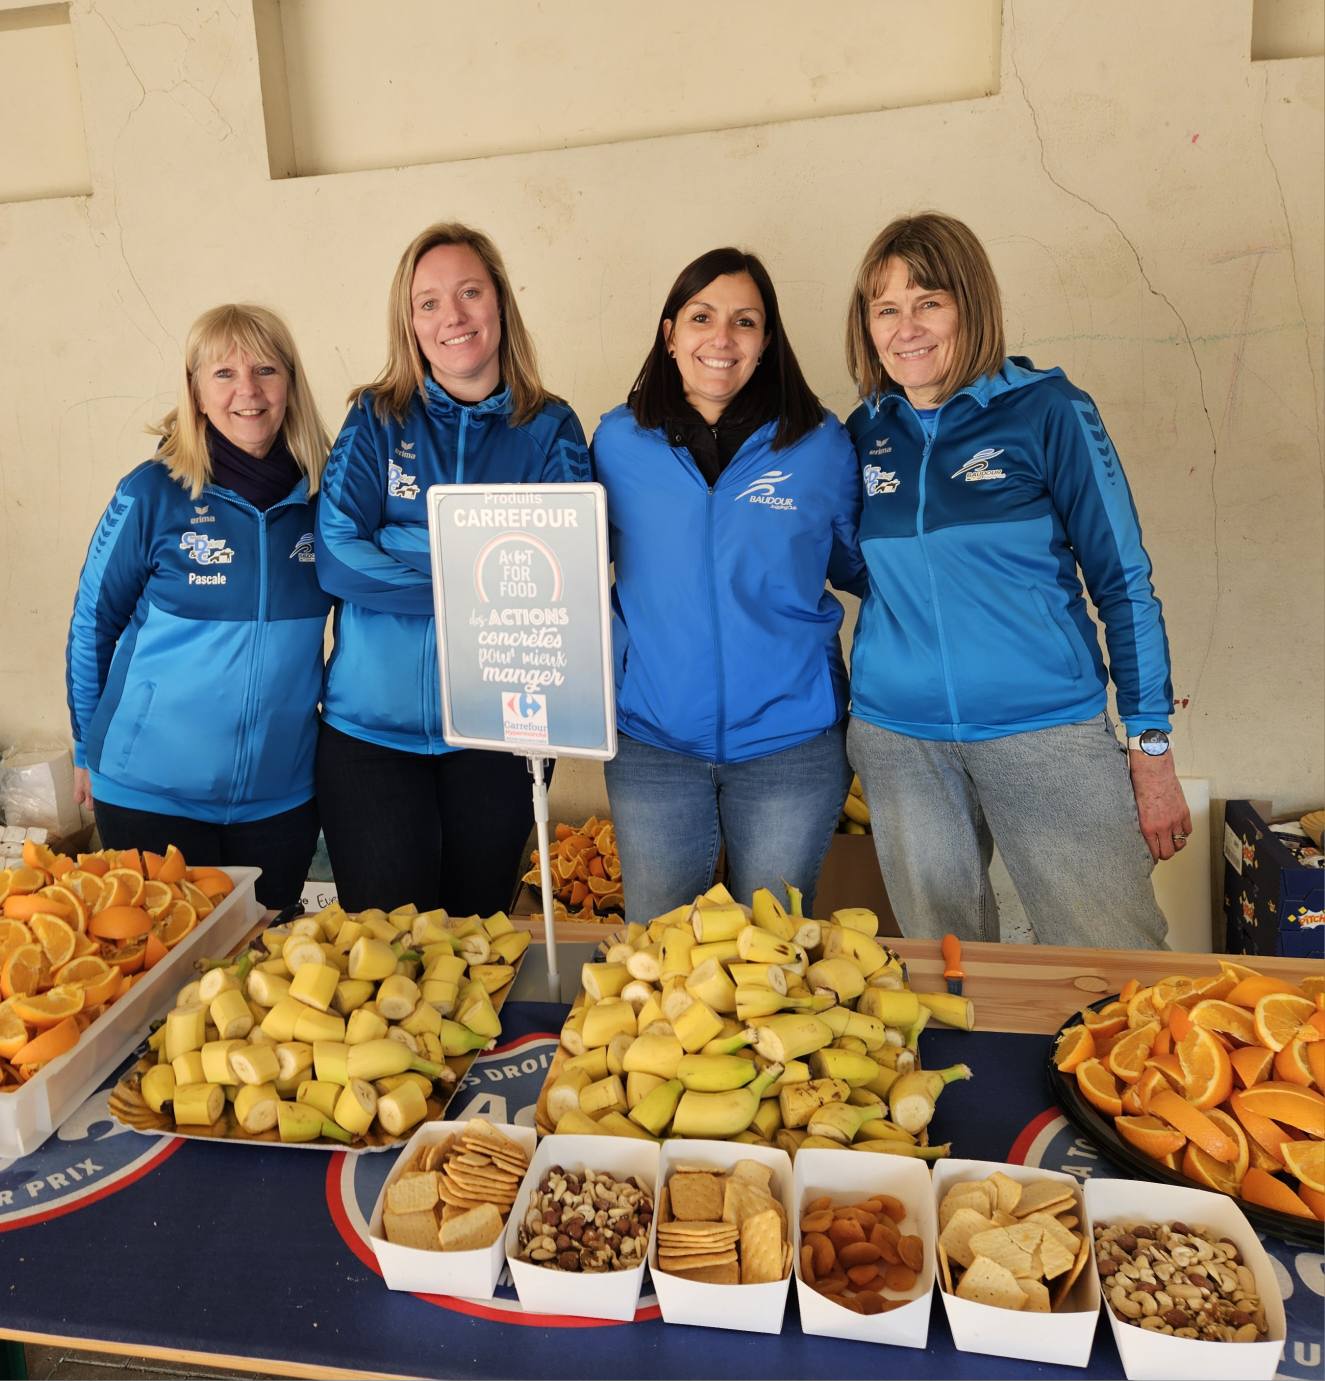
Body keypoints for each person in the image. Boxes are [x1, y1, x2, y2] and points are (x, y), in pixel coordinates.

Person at [842, 212, 1189, 948]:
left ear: (971, 304)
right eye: (886, 308)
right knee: (945, 971)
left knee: (1113, 959)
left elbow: (1122, 580)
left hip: (1043, 730)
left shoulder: (1048, 411)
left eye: (928, 301)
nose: (906, 327)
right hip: (899, 739)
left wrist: (1149, 744)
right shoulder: (864, 430)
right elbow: (853, 565)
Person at [314, 222, 589, 915]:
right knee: (383, 960)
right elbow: (340, 556)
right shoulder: (377, 418)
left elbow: (570, 571)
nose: (452, 316)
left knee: (477, 952)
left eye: (469, 292)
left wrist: (403, 541)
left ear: (499, 303)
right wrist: (484, 583)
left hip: (504, 735)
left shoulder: (550, 427)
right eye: (428, 302)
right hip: (371, 739)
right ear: (408, 322)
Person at [593, 247, 864, 923]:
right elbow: (565, 563)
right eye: (701, 317)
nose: (721, 338)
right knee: (657, 960)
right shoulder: (616, 443)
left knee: (770, 959)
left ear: (766, 340)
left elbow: (862, 566)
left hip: (789, 747)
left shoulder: (820, 445)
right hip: (651, 744)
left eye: (744, 321)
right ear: (669, 334)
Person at [67, 304, 332, 908]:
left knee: (258, 982)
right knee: (161, 981)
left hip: (281, 799)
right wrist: (85, 744)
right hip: (148, 795)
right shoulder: (152, 493)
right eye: (223, 374)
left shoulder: (323, 499)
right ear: (196, 391)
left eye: (266, 370)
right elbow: (92, 625)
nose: (248, 391)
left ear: (290, 383)